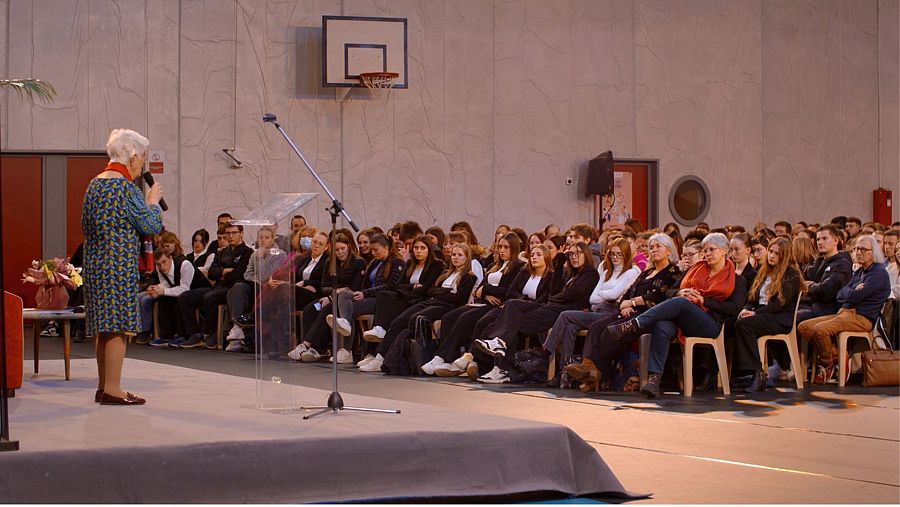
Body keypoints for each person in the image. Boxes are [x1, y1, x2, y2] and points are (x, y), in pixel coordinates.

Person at [608, 233, 746, 398]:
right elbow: (670, 292)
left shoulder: (737, 279)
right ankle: (654, 381)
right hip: (684, 319)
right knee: (662, 326)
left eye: (711, 250)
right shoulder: (695, 269)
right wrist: (681, 291)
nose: (707, 254)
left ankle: (635, 324)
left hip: (710, 323)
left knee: (681, 302)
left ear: (724, 251)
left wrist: (703, 300)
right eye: (705, 250)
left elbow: (734, 308)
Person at [82, 128, 163, 405]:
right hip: (117, 266)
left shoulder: (95, 184)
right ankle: (114, 389)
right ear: (131, 156)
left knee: (103, 328)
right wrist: (152, 203)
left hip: (95, 265)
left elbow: (85, 226)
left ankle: (104, 386)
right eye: (141, 157)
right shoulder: (126, 189)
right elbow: (151, 225)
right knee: (117, 328)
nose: (142, 163)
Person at [564, 234, 681, 391]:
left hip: (648, 315)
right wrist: (625, 305)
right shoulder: (647, 272)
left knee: (610, 332)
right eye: (651, 247)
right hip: (628, 311)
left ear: (669, 250)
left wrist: (632, 302)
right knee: (596, 326)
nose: (654, 250)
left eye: (658, 246)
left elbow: (659, 295)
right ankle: (587, 366)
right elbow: (629, 291)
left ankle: (596, 375)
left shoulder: (673, 272)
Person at [473, 242, 601, 383]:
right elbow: (555, 290)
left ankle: (501, 361)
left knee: (511, 322)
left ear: (586, 254)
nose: (574, 257)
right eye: (571, 254)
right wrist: (559, 264)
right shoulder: (572, 274)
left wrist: (557, 297)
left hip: (562, 312)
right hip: (552, 308)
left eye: (578, 253)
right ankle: (501, 361)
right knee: (511, 313)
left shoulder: (590, 273)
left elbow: (570, 294)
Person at [360, 243, 478, 372]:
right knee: (399, 320)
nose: (455, 257)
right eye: (454, 254)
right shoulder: (445, 274)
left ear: (467, 258)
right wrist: (446, 292)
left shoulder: (469, 277)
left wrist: (441, 292)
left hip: (446, 306)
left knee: (415, 319)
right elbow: (431, 290)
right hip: (431, 301)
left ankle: (402, 358)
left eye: (460, 255)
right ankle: (379, 357)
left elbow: (458, 298)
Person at [420, 233, 524, 375]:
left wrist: (486, 289)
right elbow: (478, 289)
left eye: (506, 247)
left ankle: (445, 357)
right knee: (449, 317)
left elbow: (508, 291)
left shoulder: (518, 266)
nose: (502, 250)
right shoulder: (495, 266)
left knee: (466, 318)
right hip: (484, 301)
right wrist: (485, 292)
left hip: (499, 307)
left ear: (514, 248)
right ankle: (448, 358)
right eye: (500, 247)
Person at [798, 235, 891, 383]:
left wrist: (852, 292)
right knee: (804, 326)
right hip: (844, 313)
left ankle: (828, 365)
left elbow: (854, 297)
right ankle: (837, 358)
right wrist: (853, 291)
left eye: (863, 249)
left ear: (873, 252)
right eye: (856, 249)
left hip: (862, 317)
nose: (858, 252)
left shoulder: (878, 273)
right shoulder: (860, 271)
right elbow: (840, 294)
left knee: (820, 330)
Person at [541, 236, 641, 367]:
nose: (615, 257)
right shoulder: (606, 273)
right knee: (570, 327)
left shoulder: (631, 272)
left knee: (566, 315)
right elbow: (592, 298)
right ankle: (565, 368)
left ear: (626, 255)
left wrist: (605, 295)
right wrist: (606, 296)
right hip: (597, 310)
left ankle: (545, 353)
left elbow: (614, 294)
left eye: (619, 254)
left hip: (612, 313)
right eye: (612, 254)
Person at [732, 237, 804, 391]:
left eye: (776, 254)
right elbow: (752, 298)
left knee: (745, 325)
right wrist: (747, 309)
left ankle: (756, 373)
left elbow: (779, 305)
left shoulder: (791, 275)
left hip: (780, 318)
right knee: (736, 320)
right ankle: (747, 374)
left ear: (784, 257)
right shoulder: (764, 271)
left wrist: (754, 314)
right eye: (771, 251)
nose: (771, 256)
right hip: (763, 314)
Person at [177, 223, 253, 349]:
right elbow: (211, 273)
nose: (230, 236)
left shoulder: (247, 252)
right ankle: (195, 334)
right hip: (216, 287)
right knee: (185, 297)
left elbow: (239, 274)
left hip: (232, 289)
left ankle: (212, 333)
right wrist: (223, 271)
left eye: (234, 233)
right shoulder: (222, 252)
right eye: (228, 233)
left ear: (241, 233)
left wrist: (221, 273)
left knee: (209, 297)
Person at [224, 226, 285, 352]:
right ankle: (237, 328)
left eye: (266, 238)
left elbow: (269, 275)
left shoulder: (279, 254)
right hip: (255, 285)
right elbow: (247, 274)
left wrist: (261, 258)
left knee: (243, 288)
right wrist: (259, 278)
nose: (263, 241)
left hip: (271, 289)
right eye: (260, 237)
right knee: (237, 287)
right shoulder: (254, 254)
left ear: (273, 239)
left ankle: (238, 329)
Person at [142, 249, 199, 348]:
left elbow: (185, 288)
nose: (162, 267)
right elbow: (165, 284)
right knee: (163, 297)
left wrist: (162, 290)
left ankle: (189, 335)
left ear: (170, 258)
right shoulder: (159, 267)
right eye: (159, 264)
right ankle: (166, 335)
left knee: (182, 297)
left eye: (164, 262)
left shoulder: (184, 265)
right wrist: (156, 288)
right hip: (183, 292)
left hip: (199, 289)